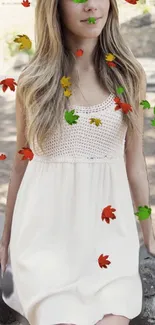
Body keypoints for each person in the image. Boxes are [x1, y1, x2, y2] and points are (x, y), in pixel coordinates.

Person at [0, 0, 155, 324]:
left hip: (108, 240)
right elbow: (21, 164)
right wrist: (6, 242)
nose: (91, 6)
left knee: (114, 318)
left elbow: (135, 163)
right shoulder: (34, 81)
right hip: (45, 240)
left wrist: (147, 231)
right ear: (54, 7)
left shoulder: (128, 74)